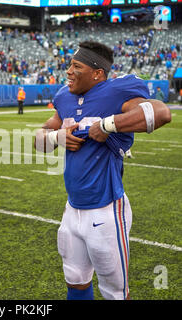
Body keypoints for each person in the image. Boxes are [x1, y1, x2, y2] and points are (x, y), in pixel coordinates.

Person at [34, 41, 171, 300]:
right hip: (72, 208)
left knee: (115, 292)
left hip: (106, 208)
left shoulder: (117, 92)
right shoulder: (64, 96)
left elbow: (161, 113)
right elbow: (39, 138)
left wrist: (108, 124)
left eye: (77, 66)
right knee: (75, 281)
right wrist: (56, 138)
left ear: (97, 73)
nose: (68, 72)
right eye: (69, 65)